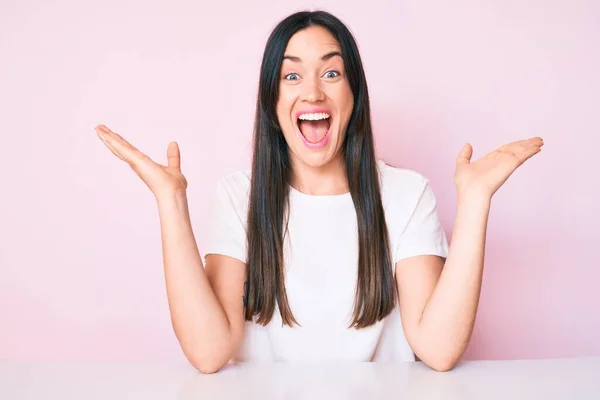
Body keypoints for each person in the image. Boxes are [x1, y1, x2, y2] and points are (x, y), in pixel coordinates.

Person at [95, 10, 543, 373]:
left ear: (354, 95)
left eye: (331, 73)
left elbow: (440, 350)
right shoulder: (239, 196)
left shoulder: (406, 194)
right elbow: (209, 352)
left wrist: (476, 200)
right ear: (272, 102)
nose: (312, 91)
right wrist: (170, 201)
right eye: (292, 77)